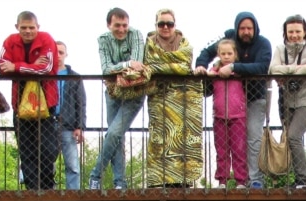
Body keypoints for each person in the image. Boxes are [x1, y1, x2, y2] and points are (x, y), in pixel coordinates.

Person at [194, 12, 272, 189]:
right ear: (237, 28)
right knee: (224, 146)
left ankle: (253, 179)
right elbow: (207, 51)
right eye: (242, 28)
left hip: (255, 97)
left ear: (255, 29)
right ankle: (223, 179)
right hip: (225, 105)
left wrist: (234, 67)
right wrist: (201, 65)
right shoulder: (228, 37)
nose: (245, 32)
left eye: (249, 28)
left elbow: (262, 66)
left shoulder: (263, 43)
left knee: (252, 138)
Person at [0, 11, 59, 191]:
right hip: (20, 104)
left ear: (38, 27)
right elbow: (3, 67)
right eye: (23, 28)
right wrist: (33, 66)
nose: (27, 31)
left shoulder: (46, 39)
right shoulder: (10, 41)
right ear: (17, 27)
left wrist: (17, 66)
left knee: (48, 149)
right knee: (26, 149)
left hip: (46, 104)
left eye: (31, 28)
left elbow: (47, 68)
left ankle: (48, 185)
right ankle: (32, 188)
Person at [88, 8, 146, 190]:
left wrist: (121, 67)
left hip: (134, 93)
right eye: (117, 26)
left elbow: (136, 67)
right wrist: (127, 64)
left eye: (124, 25)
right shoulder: (103, 40)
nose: (121, 29)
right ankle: (120, 182)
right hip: (113, 92)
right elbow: (105, 69)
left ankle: (95, 175)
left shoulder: (136, 34)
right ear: (109, 25)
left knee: (113, 133)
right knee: (117, 137)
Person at [144, 10, 202, 189]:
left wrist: (160, 67)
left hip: (182, 102)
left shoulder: (184, 44)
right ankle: (158, 180)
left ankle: (181, 181)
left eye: (169, 24)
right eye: (161, 24)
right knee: (159, 139)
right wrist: (173, 67)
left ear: (175, 25)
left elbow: (185, 65)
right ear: (156, 25)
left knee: (181, 141)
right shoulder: (148, 45)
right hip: (159, 100)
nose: (165, 27)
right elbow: (149, 65)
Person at [270, 14, 306, 189]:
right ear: (285, 33)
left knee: (293, 135)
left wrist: (286, 71)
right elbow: (272, 69)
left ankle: (303, 181)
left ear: (304, 31)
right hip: (287, 99)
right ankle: (296, 179)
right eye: (291, 32)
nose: (294, 35)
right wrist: (298, 69)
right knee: (291, 138)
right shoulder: (280, 49)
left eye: (298, 31)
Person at [208, 39, 248, 188]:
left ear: (235, 54)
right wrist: (212, 72)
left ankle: (240, 180)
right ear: (218, 54)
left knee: (238, 149)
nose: (226, 56)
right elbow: (209, 73)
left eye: (229, 53)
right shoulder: (215, 70)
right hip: (219, 116)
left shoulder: (238, 70)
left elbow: (246, 71)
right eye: (223, 53)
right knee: (221, 150)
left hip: (238, 115)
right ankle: (222, 180)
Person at [55, 41, 87, 190]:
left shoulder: (74, 77)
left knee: (72, 165)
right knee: (47, 161)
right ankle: (49, 191)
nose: (58, 55)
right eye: (55, 52)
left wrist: (80, 126)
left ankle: (73, 193)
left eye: (61, 52)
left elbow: (80, 103)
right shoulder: (45, 75)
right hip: (48, 124)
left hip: (68, 125)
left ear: (66, 55)